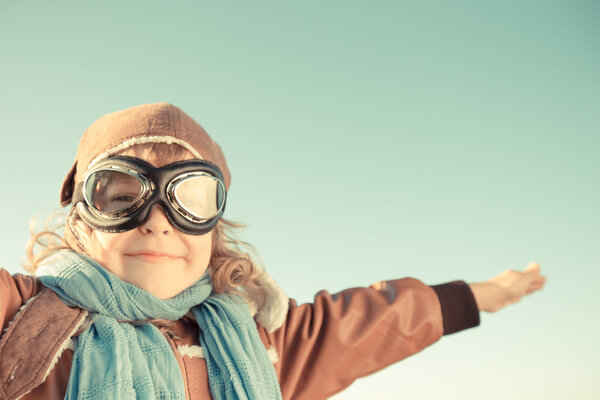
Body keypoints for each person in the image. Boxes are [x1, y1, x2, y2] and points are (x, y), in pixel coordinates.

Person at [0, 103, 546, 400]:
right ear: (83, 221)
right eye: (122, 197)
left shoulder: (260, 342)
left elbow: (366, 325)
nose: (159, 223)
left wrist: (480, 294)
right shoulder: (25, 319)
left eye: (189, 197)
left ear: (215, 226)